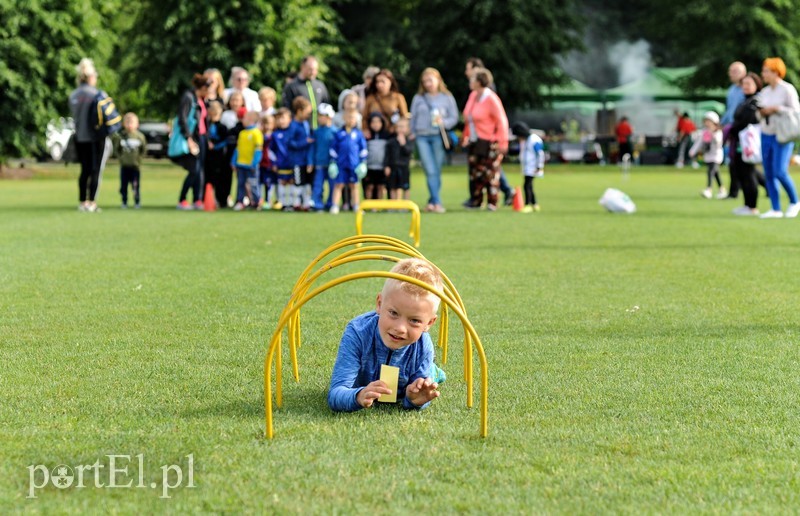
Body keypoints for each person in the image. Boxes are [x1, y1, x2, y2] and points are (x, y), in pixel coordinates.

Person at [328, 258, 443, 412]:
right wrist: (358, 396)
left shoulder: (423, 346)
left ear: (429, 323)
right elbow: (336, 393)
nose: (400, 328)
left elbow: (419, 396)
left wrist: (414, 400)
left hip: (415, 374)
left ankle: (434, 372)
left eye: (414, 320)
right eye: (393, 313)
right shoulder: (357, 333)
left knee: (431, 376)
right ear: (379, 304)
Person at [463, 57, 514, 206]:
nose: (469, 80)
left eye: (472, 79)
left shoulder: (491, 98)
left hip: (490, 141)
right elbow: (469, 118)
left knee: (491, 173)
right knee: (476, 174)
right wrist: (466, 135)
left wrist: (503, 142)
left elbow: (502, 120)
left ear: (479, 82)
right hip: (475, 141)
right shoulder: (473, 96)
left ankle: (493, 202)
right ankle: (476, 201)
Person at [410, 67, 459, 213]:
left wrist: (444, 122)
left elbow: (454, 117)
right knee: (430, 169)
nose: (427, 84)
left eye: (430, 80)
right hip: (422, 136)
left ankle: (432, 201)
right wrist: (412, 132)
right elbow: (413, 117)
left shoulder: (447, 97)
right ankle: (437, 202)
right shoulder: (418, 98)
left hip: (438, 136)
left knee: (436, 170)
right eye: (424, 81)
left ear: (438, 80)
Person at [757, 57, 800, 218]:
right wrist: (762, 112)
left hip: (783, 135)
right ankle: (775, 208)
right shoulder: (765, 92)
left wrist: (777, 109)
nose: (763, 74)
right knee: (768, 172)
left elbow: (796, 112)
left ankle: (794, 201)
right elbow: (759, 113)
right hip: (766, 133)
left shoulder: (787, 89)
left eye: (766, 71)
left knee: (780, 171)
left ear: (776, 72)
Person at [69, 58, 112, 212]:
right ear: (91, 77)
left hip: (80, 137)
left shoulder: (73, 95)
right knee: (96, 170)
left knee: (84, 170)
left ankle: (82, 202)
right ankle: (92, 201)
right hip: (96, 138)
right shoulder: (97, 94)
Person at [173, 73, 210, 210]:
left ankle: (197, 199)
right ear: (202, 88)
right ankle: (182, 199)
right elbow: (182, 118)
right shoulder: (189, 98)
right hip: (192, 137)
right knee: (194, 170)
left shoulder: (201, 99)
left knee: (200, 170)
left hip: (202, 137)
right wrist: (188, 138)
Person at [728, 72, 763, 215]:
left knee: (749, 173)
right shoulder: (744, 101)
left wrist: (732, 129)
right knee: (741, 173)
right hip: (739, 142)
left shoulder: (756, 101)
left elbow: (746, 121)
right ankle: (747, 205)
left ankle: (752, 206)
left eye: (749, 84)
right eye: (744, 84)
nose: (745, 86)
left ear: (756, 85)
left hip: (748, 143)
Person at [328, 110, 367, 215]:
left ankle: (356, 206)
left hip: (354, 165)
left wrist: (363, 162)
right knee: (338, 185)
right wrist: (333, 162)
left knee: (354, 185)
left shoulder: (358, 134)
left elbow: (363, 149)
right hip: (341, 164)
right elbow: (333, 149)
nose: (351, 120)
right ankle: (335, 205)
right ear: (344, 119)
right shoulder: (339, 133)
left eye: (353, 118)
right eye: (349, 117)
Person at [282, 55, 331, 130]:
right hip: (300, 130)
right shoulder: (291, 86)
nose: (313, 72)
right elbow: (286, 109)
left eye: (315, 70)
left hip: (319, 130)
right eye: (310, 69)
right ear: (302, 67)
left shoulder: (320, 85)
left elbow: (327, 105)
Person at [721, 61, 748, 199]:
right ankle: (734, 192)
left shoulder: (747, 88)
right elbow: (729, 110)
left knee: (742, 162)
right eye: (730, 71)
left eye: (733, 71)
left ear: (742, 72)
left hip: (744, 129)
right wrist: (721, 123)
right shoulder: (731, 90)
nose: (730, 74)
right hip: (733, 129)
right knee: (735, 161)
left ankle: (735, 192)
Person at [231, 111, 264, 210]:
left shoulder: (257, 133)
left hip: (251, 165)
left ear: (250, 120)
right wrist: (233, 161)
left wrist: (254, 163)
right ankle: (240, 201)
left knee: (253, 183)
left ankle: (256, 202)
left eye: (244, 118)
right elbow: (238, 149)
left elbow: (258, 150)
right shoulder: (242, 133)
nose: (242, 120)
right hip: (241, 164)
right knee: (240, 184)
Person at [113, 113, 146, 209]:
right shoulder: (121, 136)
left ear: (137, 124)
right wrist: (121, 159)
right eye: (127, 122)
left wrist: (139, 160)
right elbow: (117, 150)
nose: (129, 125)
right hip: (124, 166)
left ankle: (137, 201)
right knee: (123, 186)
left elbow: (143, 150)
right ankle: (124, 201)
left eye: (131, 122)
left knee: (135, 185)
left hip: (135, 167)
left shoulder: (140, 136)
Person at [286, 97, 314, 210]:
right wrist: (304, 142)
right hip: (297, 160)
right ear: (299, 111)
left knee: (307, 182)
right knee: (298, 182)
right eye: (307, 113)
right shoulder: (293, 125)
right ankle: (296, 203)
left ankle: (306, 203)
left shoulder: (306, 124)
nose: (308, 115)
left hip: (305, 160)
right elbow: (290, 142)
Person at [690, 112, 725, 199]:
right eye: (706, 121)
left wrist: (712, 134)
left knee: (710, 171)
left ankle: (709, 189)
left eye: (709, 121)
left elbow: (719, 143)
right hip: (708, 155)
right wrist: (692, 151)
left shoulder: (718, 132)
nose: (707, 123)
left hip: (716, 155)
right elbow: (699, 142)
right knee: (715, 173)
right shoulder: (704, 132)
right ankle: (722, 189)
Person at [362, 69, 408, 136]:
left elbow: (404, 117)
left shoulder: (398, 97)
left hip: (392, 134)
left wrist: (397, 129)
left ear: (390, 82)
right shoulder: (371, 98)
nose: (379, 85)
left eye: (383, 81)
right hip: (375, 134)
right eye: (377, 82)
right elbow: (365, 117)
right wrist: (365, 129)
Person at [512, 122, 544, 213]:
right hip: (527, 167)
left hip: (533, 167)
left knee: (526, 185)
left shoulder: (534, 140)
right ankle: (535, 204)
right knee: (529, 186)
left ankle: (528, 204)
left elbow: (540, 153)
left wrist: (539, 166)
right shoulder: (526, 140)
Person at [310, 103, 337, 211]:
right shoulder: (316, 132)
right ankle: (317, 204)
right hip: (319, 163)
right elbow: (312, 148)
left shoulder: (335, 132)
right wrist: (310, 162)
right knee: (318, 184)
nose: (319, 118)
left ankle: (331, 203)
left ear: (329, 117)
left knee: (332, 185)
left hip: (332, 164)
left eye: (322, 116)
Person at [204, 102, 230, 208]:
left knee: (220, 179)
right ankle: (206, 199)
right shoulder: (206, 126)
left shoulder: (223, 127)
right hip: (208, 157)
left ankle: (221, 200)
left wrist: (215, 146)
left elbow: (225, 141)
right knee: (208, 178)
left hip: (220, 157)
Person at [385, 118, 414, 200]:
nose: (400, 129)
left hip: (404, 168)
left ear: (407, 128)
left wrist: (403, 144)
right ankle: (394, 204)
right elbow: (387, 155)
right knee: (393, 187)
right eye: (399, 127)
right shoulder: (391, 142)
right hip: (393, 167)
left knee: (405, 187)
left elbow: (409, 152)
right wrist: (386, 166)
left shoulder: (409, 141)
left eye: (402, 127)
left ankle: (405, 204)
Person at [269, 107, 293, 211]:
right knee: (282, 182)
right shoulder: (275, 134)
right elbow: (271, 151)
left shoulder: (292, 132)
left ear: (289, 119)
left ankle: (291, 203)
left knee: (292, 182)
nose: (280, 121)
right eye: (278, 118)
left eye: (283, 118)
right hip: (281, 163)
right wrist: (274, 163)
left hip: (292, 163)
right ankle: (282, 203)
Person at [364, 112, 390, 200]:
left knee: (381, 187)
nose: (376, 124)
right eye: (373, 122)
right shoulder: (367, 136)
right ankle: (368, 204)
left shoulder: (386, 135)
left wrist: (387, 165)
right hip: (369, 166)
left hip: (381, 166)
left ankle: (379, 205)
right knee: (369, 186)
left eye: (378, 122)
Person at [258, 113, 275, 209]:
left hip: (270, 164)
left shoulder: (274, 136)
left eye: (269, 123)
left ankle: (268, 200)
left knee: (269, 183)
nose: (267, 126)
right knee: (260, 182)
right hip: (261, 163)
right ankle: (260, 200)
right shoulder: (259, 135)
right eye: (264, 123)